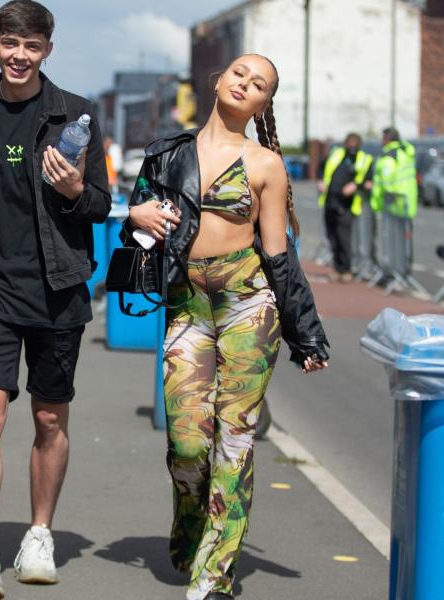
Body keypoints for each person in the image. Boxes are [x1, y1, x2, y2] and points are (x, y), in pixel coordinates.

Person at [126, 54, 329, 600]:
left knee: (234, 438)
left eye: (259, 84)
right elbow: (137, 214)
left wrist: (304, 332)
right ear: (218, 81)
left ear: (264, 103)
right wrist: (135, 213)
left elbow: (279, 256)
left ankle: (216, 572)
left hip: (247, 303)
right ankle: (191, 522)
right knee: (189, 442)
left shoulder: (265, 165)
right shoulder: (168, 152)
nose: (246, 84)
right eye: (240, 73)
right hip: (186, 303)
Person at [0, 1, 111, 597]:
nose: (19, 55)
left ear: (46, 51)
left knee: (48, 416)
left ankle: (39, 533)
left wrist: (73, 189)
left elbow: (100, 206)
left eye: (31, 46)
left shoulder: (77, 115)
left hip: (58, 288)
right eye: (11, 43)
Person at [317, 133, 373, 282]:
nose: (352, 146)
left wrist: (356, 185)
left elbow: (369, 182)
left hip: (347, 203)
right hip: (330, 200)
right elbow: (321, 167)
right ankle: (337, 267)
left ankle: (346, 268)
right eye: (350, 143)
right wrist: (320, 180)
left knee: (344, 236)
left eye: (355, 143)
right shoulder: (337, 154)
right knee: (332, 235)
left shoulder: (364, 159)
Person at [371, 126, 419, 280]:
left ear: (387, 139)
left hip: (392, 202)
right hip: (407, 201)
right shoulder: (407, 151)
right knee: (405, 238)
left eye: (382, 138)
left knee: (392, 238)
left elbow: (386, 180)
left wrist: (378, 194)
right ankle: (403, 270)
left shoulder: (389, 156)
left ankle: (394, 272)